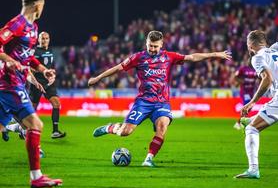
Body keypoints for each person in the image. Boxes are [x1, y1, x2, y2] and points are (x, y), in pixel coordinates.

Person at [88, 30, 232, 167]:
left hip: (161, 103)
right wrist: (98, 78)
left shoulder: (169, 57)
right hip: (143, 102)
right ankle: (110, 127)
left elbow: (192, 57)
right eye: (150, 45)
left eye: (155, 46)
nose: (152, 49)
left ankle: (149, 159)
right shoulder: (138, 58)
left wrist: (215, 54)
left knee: (162, 126)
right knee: (126, 132)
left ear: (161, 44)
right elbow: (118, 68)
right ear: (146, 43)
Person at [0, 0, 62, 188]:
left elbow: (28, 59)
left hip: (13, 83)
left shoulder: (33, 29)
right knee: (35, 125)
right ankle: (36, 178)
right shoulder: (16, 24)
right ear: (37, 5)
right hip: (9, 84)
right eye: (42, 5)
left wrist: (43, 70)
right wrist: (7, 59)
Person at [235, 30, 278, 179]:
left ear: (250, 45)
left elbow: (267, 79)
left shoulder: (257, 57)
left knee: (251, 128)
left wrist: (252, 102)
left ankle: (253, 170)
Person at [29, 31, 66, 138]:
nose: (45, 40)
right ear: (38, 39)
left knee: (56, 103)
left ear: (49, 39)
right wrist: (41, 71)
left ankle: (55, 131)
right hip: (37, 82)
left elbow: (50, 65)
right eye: (42, 38)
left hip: (49, 82)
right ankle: (26, 129)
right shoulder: (34, 51)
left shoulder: (50, 50)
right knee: (33, 108)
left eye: (46, 38)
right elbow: (30, 67)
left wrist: (52, 72)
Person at [233, 62, 257, 130]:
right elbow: (235, 76)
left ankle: (241, 122)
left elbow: (261, 77)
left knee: (249, 107)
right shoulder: (243, 69)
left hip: (251, 92)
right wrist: (240, 81)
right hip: (244, 91)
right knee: (247, 105)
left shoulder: (256, 69)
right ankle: (239, 123)